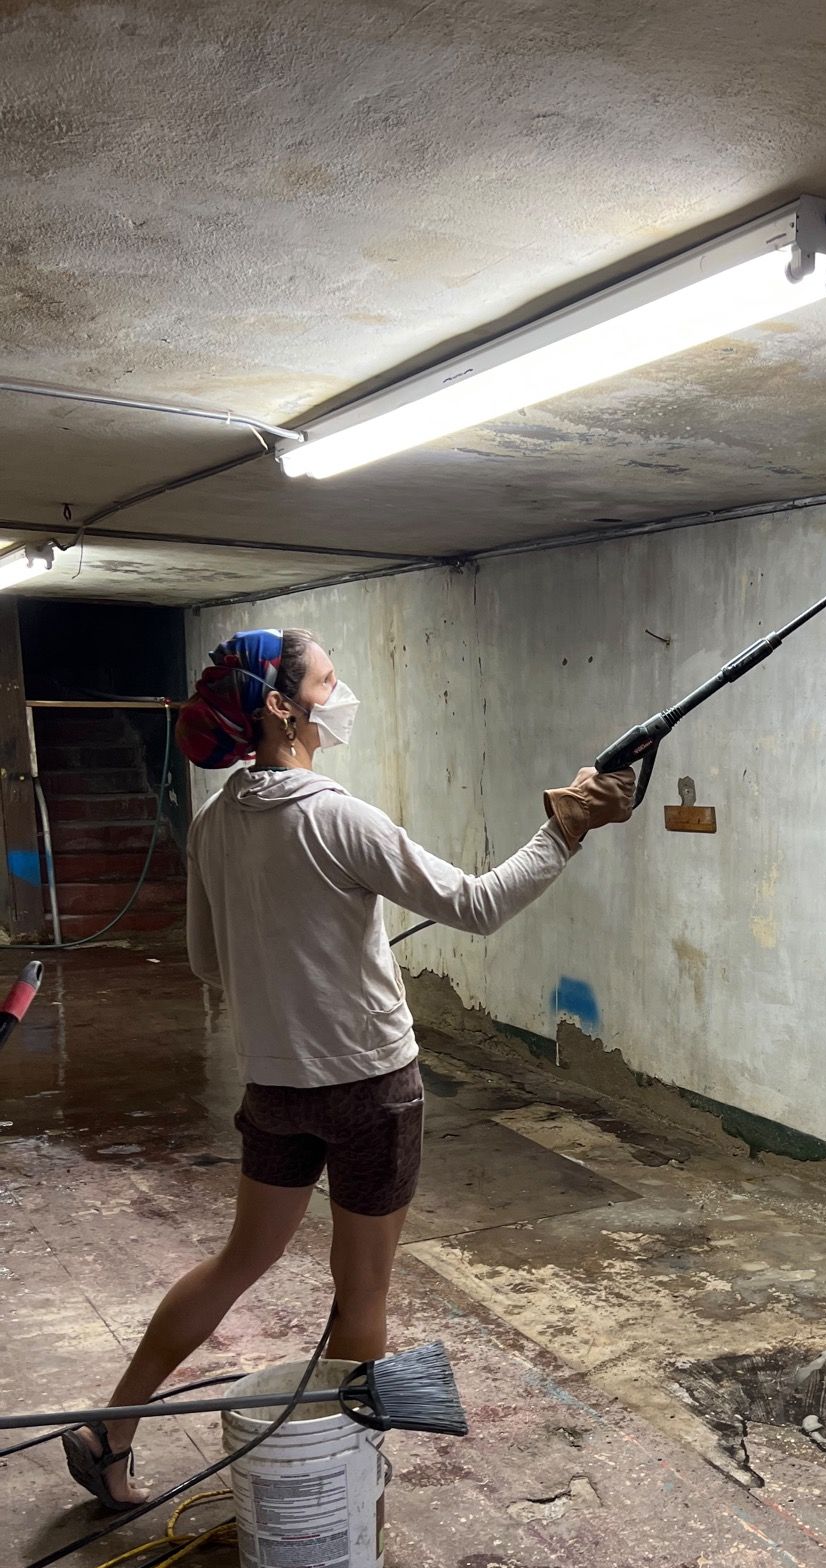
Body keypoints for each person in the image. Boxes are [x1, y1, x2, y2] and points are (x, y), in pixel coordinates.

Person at [64, 627, 634, 1508]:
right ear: (284, 707)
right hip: (370, 1087)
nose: (343, 691)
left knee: (237, 1261)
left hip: (274, 1089)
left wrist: (301, 952)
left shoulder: (215, 826)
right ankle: (347, 1482)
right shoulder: (337, 815)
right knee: (360, 1290)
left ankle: (114, 1427)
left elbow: (211, 963)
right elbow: (476, 905)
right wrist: (567, 828)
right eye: (329, 678)